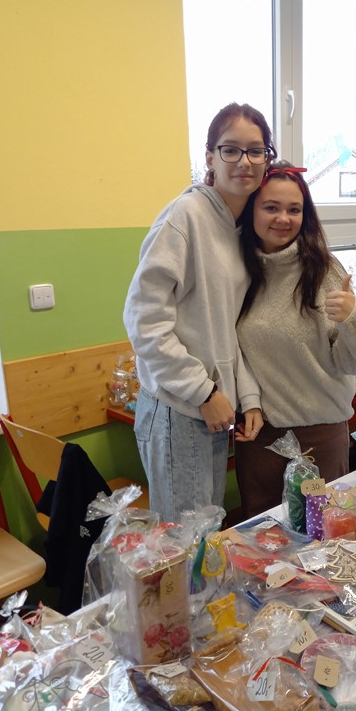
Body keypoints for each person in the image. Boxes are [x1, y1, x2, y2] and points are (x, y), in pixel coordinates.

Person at [123, 102, 274, 521]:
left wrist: (248, 398)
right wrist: (203, 392)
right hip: (179, 408)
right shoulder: (185, 216)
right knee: (185, 544)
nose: (244, 161)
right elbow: (144, 321)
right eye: (231, 149)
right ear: (210, 157)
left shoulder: (240, 228)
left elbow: (230, 329)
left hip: (212, 409)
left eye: (256, 150)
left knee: (205, 535)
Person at [234, 161, 356, 517]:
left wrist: (355, 317)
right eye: (271, 207)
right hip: (260, 438)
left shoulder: (323, 270)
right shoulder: (238, 271)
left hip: (319, 435)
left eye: (294, 209)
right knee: (263, 539)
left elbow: (355, 363)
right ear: (252, 210)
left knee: (326, 533)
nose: (283, 218)